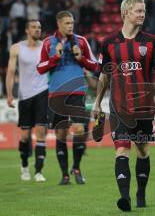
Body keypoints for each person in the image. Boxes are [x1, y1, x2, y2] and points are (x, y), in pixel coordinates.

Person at [93, 0, 155, 212]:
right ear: (125, 12)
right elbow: (103, 76)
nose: (143, 14)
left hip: (144, 108)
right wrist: (96, 102)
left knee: (143, 150)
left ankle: (140, 193)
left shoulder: (151, 42)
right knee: (121, 150)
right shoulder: (108, 43)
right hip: (119, 107)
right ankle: (125, 197)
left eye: (144, 10)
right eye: (139, 10)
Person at [37, 11, 98, 185]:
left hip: (77, 92)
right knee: (61, 134)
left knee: (79, 129)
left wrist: (82, 58)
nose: (70, 26)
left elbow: (95, 65)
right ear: (59, 24)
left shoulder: (82, 41)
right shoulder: (48, 42)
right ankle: (64, 175)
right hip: (56, 94)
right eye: (67, 23)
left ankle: (76, 167)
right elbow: (40, 68)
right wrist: (55, 58)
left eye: (72, 23)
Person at [6, 20, 48, 182]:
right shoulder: (17, 48)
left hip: (42, 92)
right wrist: (10, 94)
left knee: (41, 131)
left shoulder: (46, 47)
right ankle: (24, 166)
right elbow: (10, 73)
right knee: (24, 135)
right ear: (26, 30)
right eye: (34, 27)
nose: (37, 29)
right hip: (24, 96)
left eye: (39, 27)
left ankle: (38, 171)